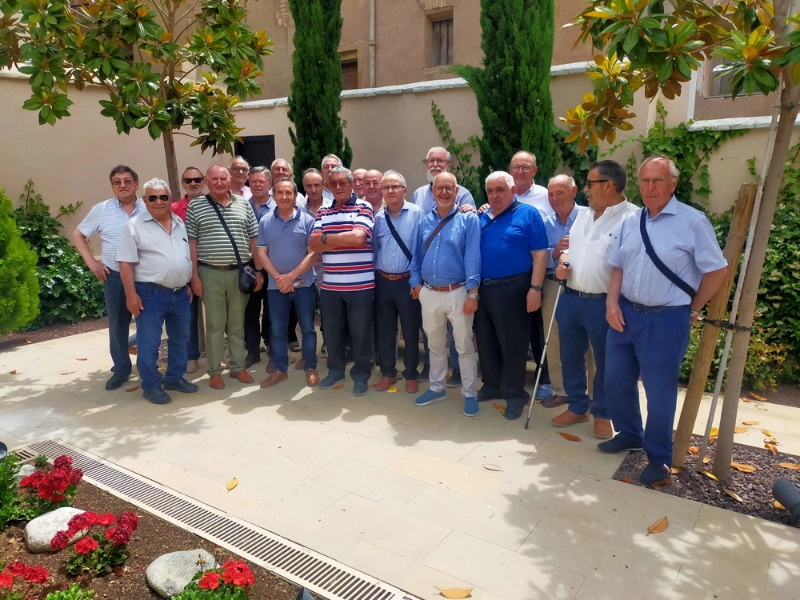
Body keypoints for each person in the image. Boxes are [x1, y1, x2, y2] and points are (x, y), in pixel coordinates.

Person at [599, 156, 728, 485]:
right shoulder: (631, 220)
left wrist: (693, 306)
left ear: (673, 183)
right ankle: (629, 432)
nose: (650, 187)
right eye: (644, 181)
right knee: (615, 381)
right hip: (625, 314)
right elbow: (618, 265)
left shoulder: (692, 221)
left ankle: (658, 460)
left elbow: (717, 269)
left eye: (658, 180)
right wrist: (612, 302)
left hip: (665, 320)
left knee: (659, 393)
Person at [550, 162, 636, 439]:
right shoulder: (584, 215)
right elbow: (568, 250)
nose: (585, 190)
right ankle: (578, 406)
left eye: (590, 183)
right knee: (570, 355)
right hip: (571, 297)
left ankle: (603, 413)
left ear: (608, 186)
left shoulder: (632, 218)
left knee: (606, 361)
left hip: (605, 303)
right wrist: (563, 263)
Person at [117, 178, 199, 404]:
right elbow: (125, 263)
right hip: (150, 294)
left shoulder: (180, 223)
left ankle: (174, 378)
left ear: (170, 198)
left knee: (180, 339)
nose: (159, 201)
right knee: (149, 342)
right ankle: (151, 384)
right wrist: (131, 295)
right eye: (152, 197)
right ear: (145, 200)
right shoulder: (134, 226)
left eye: (163, 197)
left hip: (181, 293)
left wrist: (188, 283)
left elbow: (185, 257)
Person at [475, 172, 548, 420]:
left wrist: (535, 289)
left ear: (513, 190)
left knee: (513, 344)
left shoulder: (529, 214)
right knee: (486, 341)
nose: (494, 195)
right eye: (490, 191)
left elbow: (540, 255)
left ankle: (516, 394)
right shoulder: (482, 216)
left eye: (500, 190)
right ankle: (492, 385)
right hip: (483, 289)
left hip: (515, 288)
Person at [186, 165, 264, 389]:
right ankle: (215, 370)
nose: (219, 182)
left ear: (229, 180)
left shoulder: (243, 205)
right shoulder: (196, 206)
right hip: (209, 273)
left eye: (223, 178)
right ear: (206, 182)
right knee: (215, 324)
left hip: (239, 273)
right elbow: (192, 243)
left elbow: (253, 239)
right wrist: (194, 277)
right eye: (214, 179)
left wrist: (258, 270)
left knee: (237, 323)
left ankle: (238, 367)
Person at [411, 172, 481, 416]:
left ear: (456, 190)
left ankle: (470, 393)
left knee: (463, 346)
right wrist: (416, 284)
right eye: (439, 188)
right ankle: (437, 387)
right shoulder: (423, 220)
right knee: (435, 344)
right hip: (429, 293)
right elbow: (416, 255)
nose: (443, 192)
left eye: (449, 188)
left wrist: (473, 294)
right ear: (432, 191)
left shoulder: (468, 219)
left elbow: (473, 256)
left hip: (458, 292)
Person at [73, 165, 147, 391]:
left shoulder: (149, 207)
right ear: (112, 186)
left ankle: (147, 369)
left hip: (144, 277)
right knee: (117, 325)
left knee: (148, 325)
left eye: (127, 181)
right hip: (114, 277)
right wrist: (92, 263)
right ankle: (121, 369)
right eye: (117, 182)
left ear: (136, 183)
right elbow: (78, 234)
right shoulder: (101, 209)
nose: (122, 185)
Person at [309, 166, 375, 396]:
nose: (338, 187)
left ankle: (361, 375)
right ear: (328, 186)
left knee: (361, 334)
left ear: (350, 184)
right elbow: (313, 244)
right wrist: (340, 238)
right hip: (330, 286)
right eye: (333, 183)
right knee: (332, 333)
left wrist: (327, 239)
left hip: (361, 285)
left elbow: (358, 238)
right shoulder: (324, 211)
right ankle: (335, 371)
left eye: (342, 183)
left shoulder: (363, 207)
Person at [256, 178, 320, 388]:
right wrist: (279, 278)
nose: (284, 196)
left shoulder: (308, 221)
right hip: (276, 287)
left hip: (304, 285)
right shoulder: (265, 221)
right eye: (280, 192)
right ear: (274, 196)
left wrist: (290, 276)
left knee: (308, 329)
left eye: (288, 193)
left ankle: (310, 367)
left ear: (295, 196)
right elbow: (261, 253)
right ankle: (280, 370)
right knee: (277, 330)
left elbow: (313, 254)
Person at [373, 170, 424, 394]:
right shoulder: (377, 219)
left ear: (405, 190)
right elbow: (375, 251)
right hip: (383, 282)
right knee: (385, 330)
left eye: (395, 187)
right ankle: (388, 373)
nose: (391, 191)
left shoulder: (418, 214)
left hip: (408, 282)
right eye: (386, 187)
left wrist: (417, 281)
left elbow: (421, 250)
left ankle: (411, 373)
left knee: (411, 330)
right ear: (382, 192)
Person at [540, 175, 587, 408]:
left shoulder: (589, 217)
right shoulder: (546, 222)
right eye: (550, 194)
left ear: (574, 191)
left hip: (586, 285)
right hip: (553, 285)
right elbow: (540, 254)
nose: (555, 198)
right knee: (555, 338)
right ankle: (561, 390)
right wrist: (555, 251)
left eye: (560, 192)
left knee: (587, 341)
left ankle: (592, 393)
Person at [171, 167, 206, 374]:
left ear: (203, 182)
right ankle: (191, 356)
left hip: (211, 266)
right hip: (184, 269)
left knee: (218, 314)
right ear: (183, 183)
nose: (193, 183)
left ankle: (221, 352)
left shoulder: (213, 205)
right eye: (188, 180)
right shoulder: (174, 209)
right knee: (189, 315)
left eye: (197, 179)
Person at [244, 166, 274, 369]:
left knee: (273, 311)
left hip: (273, 267)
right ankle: (253, 351)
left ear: (270, 184)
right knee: (250, 311)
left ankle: (273, 348)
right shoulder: (243, 207)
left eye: (261, 181)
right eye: (253, 181)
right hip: (248, 268)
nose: (257, 184)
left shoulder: (278, 208)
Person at [510, 151, 553, 219]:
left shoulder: (546, 195)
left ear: (534, 171)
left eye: (525, 167)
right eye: (516, 167)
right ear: (510, 170)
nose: (520, 172)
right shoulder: (503, 194)